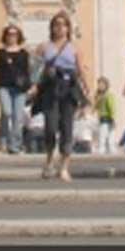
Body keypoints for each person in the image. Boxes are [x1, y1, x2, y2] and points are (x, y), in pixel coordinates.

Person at [30, 11, 88, 182]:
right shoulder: (43, 47)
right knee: (50, 126)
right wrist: (34, 85)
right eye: (56, 25)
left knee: (67, 127)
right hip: (50, 88)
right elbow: (36, 69)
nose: (59, 28)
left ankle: (64, 166)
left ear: (68, 28)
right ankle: (49, 160)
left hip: (68, 88)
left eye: (63, 25)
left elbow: (80, 70)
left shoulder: (75, 47)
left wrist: (87, 90)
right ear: (52, 28)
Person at [0, 24, 32, 156]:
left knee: (18, 117)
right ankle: (2, 141)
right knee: (7, 112)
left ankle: (15, 145)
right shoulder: (0, 53)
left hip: (20, 88)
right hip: (3, 86)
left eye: (14, 34)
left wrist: (31, 87)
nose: (11, 36)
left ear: (18, 36)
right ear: (5, 36)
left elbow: (28, 71)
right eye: (9, 34)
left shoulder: (24, 53)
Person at [93, 77, 117, 155]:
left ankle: (111, 149)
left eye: (102, 84)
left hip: (108, 117)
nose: (100, 86)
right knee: (102, 134)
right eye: (99, 84)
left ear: (106, 85)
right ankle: (102, 149)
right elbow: (95, 107)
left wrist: (113, 117)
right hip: (101, 118)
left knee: (109, 135)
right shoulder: (99, 96)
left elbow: (111, 107)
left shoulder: (108, 95)